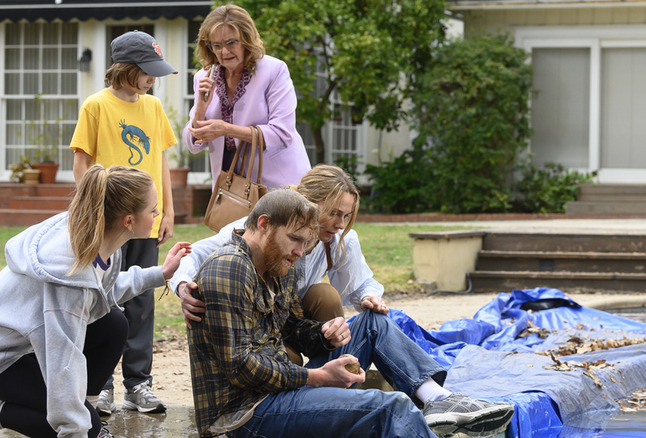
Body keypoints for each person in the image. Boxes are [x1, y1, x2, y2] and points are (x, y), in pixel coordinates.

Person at [188, 189, 514, 437]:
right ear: (263, 225)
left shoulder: (276, 264)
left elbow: (291, 327)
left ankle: (438, 399)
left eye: (306, 242)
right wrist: (317, 377)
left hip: (278, 391)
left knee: (371, 322)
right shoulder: (230, 267)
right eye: (295, 240)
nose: (301, 252)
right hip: (244, 415)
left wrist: (324, 335)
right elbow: (239, 367)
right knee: (392, 407)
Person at [0, 165, 190, 438]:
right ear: (128, 221)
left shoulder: (97, 237)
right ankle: (6, 409)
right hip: (5, 358)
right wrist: (78, 427)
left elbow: (101, 293)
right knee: (80, 427)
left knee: (113, 324)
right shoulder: (68, 278)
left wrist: (160, 273)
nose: (158, 214)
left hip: (25, 343)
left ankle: (82, 410)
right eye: (153, 209)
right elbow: (63, 361)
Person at [171, 165, 384, 363]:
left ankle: (332, 368)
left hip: (296, 320)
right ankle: (304, 382)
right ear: (307, 200)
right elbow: (192, 254)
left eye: (346, 216)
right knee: (291, 361)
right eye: (334, 213)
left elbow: (358, 283)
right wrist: (183, 286)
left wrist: (368, 297)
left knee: (325, 295)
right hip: (261, 322)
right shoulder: (252, 231)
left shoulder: (339, 241)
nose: (339, 224)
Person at [69, 30, 179, 415]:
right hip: (109, 224)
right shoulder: (96, 106)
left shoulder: (153, 108)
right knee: (102, 299)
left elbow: (161, 160)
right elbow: (81, 163)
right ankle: (101, 385)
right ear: (126, 69)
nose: (153, 79)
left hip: (146, 221)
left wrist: (166, 209)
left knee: (142, 302)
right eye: (148, 72)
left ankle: (139, 384)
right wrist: (91, 211)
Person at [183, 4, 311, 189]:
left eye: (231, 43)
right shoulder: (203, 77)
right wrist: (200, 111)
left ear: (246, 39)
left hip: (279, 186)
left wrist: (227, 129)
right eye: (216, 45)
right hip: (230, 190)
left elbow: (282, 134)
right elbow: (193, 144)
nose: (224, 52)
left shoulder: (273, 70)